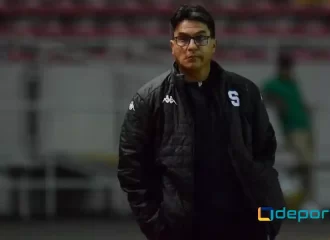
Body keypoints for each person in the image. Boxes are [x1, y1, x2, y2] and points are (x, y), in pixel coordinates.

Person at [118, 5, 285, 240]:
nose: (192, 46)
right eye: (183, 39)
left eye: (200, 38)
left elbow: (264, 152)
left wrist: (269, 212)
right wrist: (156, 226)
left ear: (213, 44)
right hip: (182, 229)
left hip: (244, 226)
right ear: (172, 46)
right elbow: (132, 169)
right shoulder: (149, 98)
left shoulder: (244, 91)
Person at [260, 53, 316, 209]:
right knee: (303, 163)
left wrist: (307, 109)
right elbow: (261, 96)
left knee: (309, 165)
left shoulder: (293, 83)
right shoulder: (273, 84)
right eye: (286, 68)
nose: (289, 71)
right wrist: (277, 102)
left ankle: (307, 200)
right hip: (292, 128)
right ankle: (297, 196)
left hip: (305, 126)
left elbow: (298, 102)